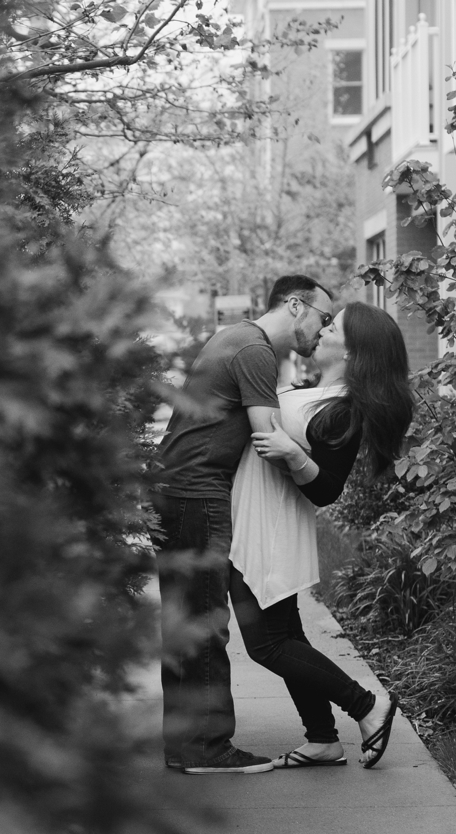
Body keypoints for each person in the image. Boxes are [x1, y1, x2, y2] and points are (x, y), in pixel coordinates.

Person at [155, 275, 334, 774]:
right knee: (205, 622)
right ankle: (208, 749)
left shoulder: (231, 336)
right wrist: (315, 466)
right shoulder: (256, 351)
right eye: (323, 317)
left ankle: (185, 746)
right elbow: (268, 437)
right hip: (197, 494)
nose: (324, 330)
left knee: (184, 623)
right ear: (296, 306)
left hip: (174, 492)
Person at [230, 300, 414, 768]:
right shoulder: (318, 393)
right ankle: (322, 738)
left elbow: (328, 489)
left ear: (352, 351)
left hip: (270, 530)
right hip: (258, 520)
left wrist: (293, 455)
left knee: (268, 645)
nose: (323, 328)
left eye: (333, 326)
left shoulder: (341, 412)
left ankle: (367, 706)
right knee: (287, 636)